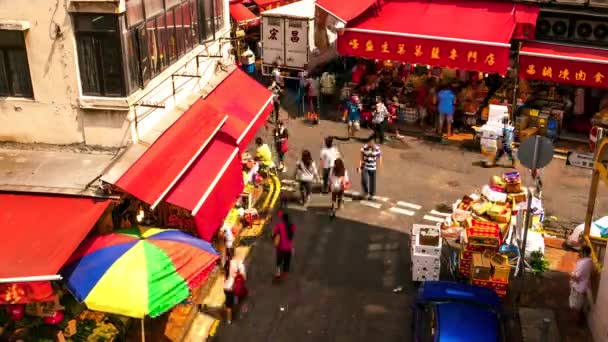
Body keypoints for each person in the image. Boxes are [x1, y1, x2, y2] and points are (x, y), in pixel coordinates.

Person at [569, 245, 593, 325]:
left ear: (584, 252)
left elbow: (577, 276)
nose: (579, 253)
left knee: (576, 306)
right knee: (577, 306)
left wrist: (571, 274)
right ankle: (576, 322)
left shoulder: (584, 263)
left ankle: (575, 323)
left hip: (579, 286)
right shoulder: (588, 261)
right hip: (581, 286)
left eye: (581, 251)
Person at [272, 212, 296, 280]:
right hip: (289, 248)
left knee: (279, 261)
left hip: (280, 248)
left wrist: (273, 237)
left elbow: (274, 234)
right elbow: (292, 235)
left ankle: (278, 273)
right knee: (287, 261)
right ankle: (285, 274)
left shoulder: (279, 226)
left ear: (283, 219)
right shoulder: (292, 226)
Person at [223, 257, 246, 324]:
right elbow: (243, 277)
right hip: (233, 287)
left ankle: (229, 320)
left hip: (226, 288)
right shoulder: (238, 264)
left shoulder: (226, 265)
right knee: (231, 303)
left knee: (228, 304)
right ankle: (230, 317)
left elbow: (225, 277)